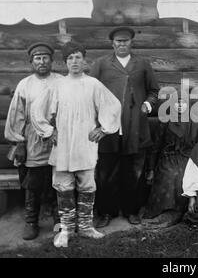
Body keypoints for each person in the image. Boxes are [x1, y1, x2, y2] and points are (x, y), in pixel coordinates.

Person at [31, 42, 121, 248]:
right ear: (65, 62)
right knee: (63, 186)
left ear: (84, 60)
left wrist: (103, 128)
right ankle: (66, 229)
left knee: (87, 185)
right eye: (70, 58)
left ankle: (87, 227)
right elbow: (37, 110)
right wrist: (48, 131)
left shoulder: (93, 84)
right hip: (62, 144)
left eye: (78, 57)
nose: (74, 61)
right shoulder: (57, 85)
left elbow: (113, 105)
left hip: (85, 143)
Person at [90, 26, 160, 227]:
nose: (122, 44)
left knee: (133, 172)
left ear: (132, 42)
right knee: (106, 172)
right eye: (118, 41)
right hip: (108, 126)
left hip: (134, 125)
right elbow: (92, 92)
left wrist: (147, 104)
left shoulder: (142, 64)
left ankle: (132, 210)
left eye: (126, 41)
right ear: (112, 43)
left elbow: (153, 90)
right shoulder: (102, 64)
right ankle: (105, 212)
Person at [4, 42, 63, 240]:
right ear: (32, 62)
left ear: (51, 60)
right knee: (33, 183)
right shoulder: (25, 84)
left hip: (58, 138)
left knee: (60, 179)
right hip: (33, 141)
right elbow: (17, 115)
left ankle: (59, 220)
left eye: (45, 57)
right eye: (37, 58)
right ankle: (31, 222)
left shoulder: (61, 81)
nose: (42, 61)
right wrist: (19, 142)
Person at [143, 97, 198, 226]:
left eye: (183, 102)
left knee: (181, 175)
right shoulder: (165, 121)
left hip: (188, 158)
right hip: (168, 156)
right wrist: (150, 168)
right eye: (177, 102)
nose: (180, 105)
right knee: (169, 174)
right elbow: (156, 146)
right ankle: (162, 211)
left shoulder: (197, 123)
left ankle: (176, 213)